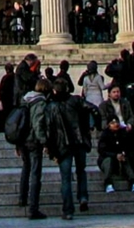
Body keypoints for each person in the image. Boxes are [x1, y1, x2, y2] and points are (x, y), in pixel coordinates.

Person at [44, 77, 96, 220]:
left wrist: (49, 148)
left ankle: (68, 210)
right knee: (81, 171)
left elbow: (48, 130)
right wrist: (91, 126)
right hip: (79, 142)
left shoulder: (51, 107)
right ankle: (83, 196)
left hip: (63, 145)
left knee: (65, 179)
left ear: (54, 90)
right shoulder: (76, 100)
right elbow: (93, 108)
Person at [17, 76, 50, 220]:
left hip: (23, 139)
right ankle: (33, 208)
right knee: (36, 173)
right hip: (33, 141)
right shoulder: (40, 102)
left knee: (26, 168)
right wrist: (44, 142)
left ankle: (22, 198)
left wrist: (17, 142)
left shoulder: (25, 99)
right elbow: (38, 124)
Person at [97, 116, 134, 193]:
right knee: (108, 161)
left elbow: (129, 146)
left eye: (117, 122)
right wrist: (115, 155)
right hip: (108, 158)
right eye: (112, 123)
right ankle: (108, 183)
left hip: (121, 159)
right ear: (108, 125)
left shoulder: (123, 133)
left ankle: (133, 181)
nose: (115, 124)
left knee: (127, 159)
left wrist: (123, 154)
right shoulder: (105, 135)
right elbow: (102, 150)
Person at [77, 60, 105, 128]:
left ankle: (91, 126)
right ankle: (99, 126)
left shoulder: (85, 78)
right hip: (98, 97)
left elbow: (84, 90)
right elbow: (102, 87)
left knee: (90, 114)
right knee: (99, 112)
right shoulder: (99, 77)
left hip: (89, 97)